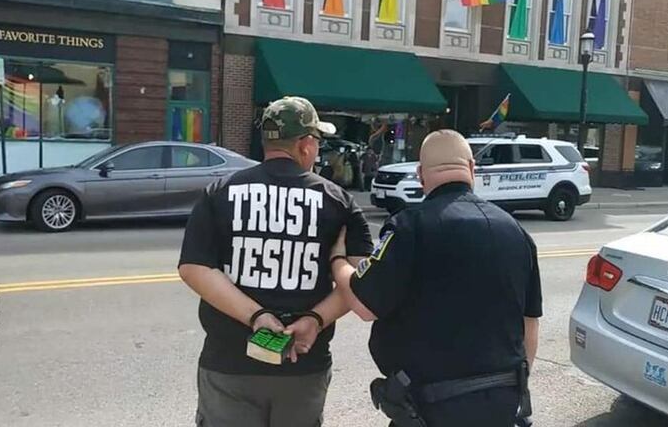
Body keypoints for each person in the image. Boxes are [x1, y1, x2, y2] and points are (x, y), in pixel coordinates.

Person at [178, 96, 373, 427]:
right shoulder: (339, 202)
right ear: (306, 144)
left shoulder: (220, 192)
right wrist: (315, 319)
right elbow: (363, 282)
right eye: (317, 140)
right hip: (303, 367)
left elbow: (194, 268)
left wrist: (257, 317)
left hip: (229, 363)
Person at [329, 129, 542, 427]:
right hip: (501, 405)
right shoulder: (517, 233)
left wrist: (338, 262)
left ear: (420, 175)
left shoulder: (408, 227)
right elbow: (529, 326)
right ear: (471, 168)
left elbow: (365, 305)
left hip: (429, 409)